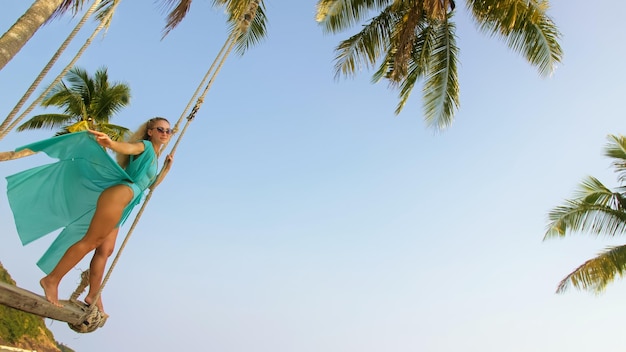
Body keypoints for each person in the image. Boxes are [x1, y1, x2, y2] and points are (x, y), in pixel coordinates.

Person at [5, 117, 174, 314]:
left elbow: (149, 186)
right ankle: (51, 279)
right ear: (150, 132)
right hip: (118, 196)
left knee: (106, 250)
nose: (165, 133)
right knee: (91, 241)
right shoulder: (144, 146)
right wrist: (110, 143)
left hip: (126, 204)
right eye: (160, 129)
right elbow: (127, 148)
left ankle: (93, 294)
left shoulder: (155, 156)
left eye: (168, 131)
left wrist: (166, 170)